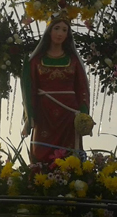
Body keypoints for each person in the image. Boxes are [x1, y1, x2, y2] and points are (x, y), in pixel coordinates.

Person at [21, 14, 91, 163]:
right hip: (44, 113)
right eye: (57, 28)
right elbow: (30, 89)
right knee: (40, 154)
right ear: (49, 31)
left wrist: (84, 112)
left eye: (65, 30)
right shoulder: (35, 60)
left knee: (69, 157)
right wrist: (29, 116)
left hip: (69, 114)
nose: (60, 34)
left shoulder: (73, 60)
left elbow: (82, 88)